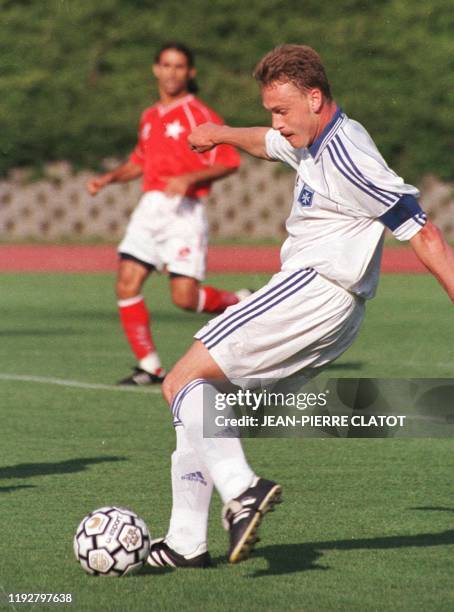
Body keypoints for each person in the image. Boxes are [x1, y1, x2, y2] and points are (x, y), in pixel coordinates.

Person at [145, 44, 454, 568]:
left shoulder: (345, 156)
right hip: (336, 310)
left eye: (283, 110)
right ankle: (186, 543)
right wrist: (221, 134)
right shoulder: (310, 137)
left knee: (179, 383)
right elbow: (268, 144)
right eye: (271, 110)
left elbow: (422, 232)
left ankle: (242, 491)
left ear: (315, 98)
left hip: (312, 290)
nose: (277, 122)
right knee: (206, 406)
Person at [87, 42, 245, 385]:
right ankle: (150, 366)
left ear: (190, 73)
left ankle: (238, 303)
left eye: (179, 67)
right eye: (166, 65)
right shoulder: (149, 116)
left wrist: (189, 177)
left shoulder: (197, 113)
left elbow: (229, 161)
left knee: (185, 299)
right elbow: (140, 161)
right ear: (156, 69)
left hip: (184, 211)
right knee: (126, 282)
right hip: (150, 208)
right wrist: (109, 178)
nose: (171, 72)